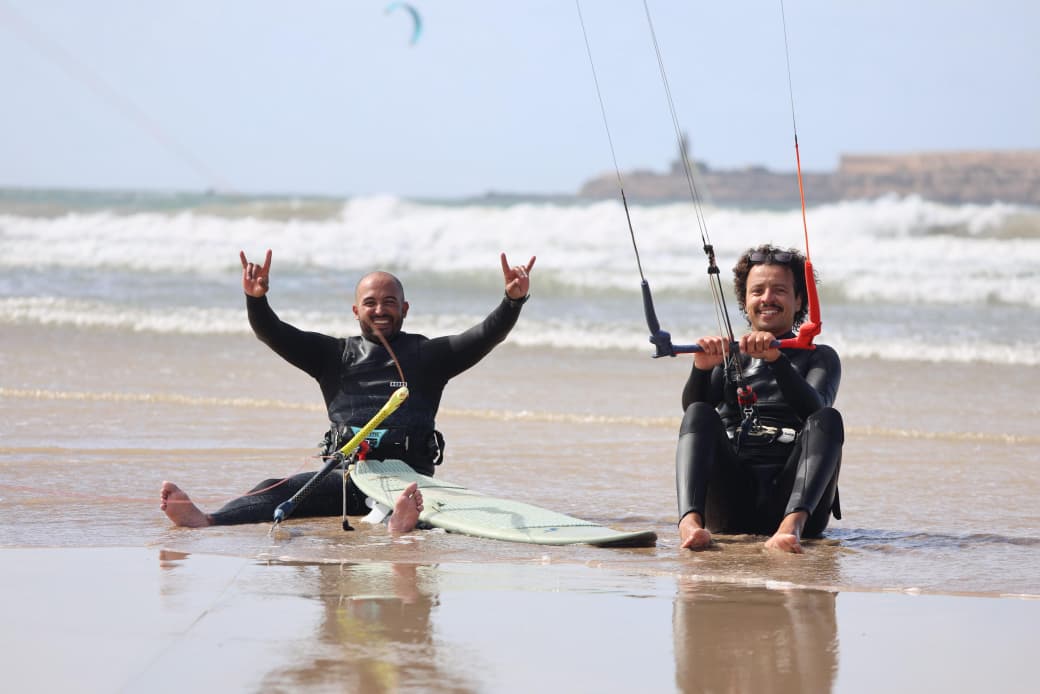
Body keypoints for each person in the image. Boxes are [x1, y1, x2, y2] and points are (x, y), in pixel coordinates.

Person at [161, 249, 536, 533]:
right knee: (273, 490)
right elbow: (272, 333)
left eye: (390, 302)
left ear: (405, 308)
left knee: (413, 501)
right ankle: (208, 519)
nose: (380, 309)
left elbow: (485, 336)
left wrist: (512, 301)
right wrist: (256, 300)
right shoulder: (333, 357)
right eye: (370, 303)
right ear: (355, 311)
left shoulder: (429, 356)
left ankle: (402, 520)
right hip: (345, 477)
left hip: (409, 477)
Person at [675, 243, 843, 553]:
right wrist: (701, 369)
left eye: (779, 290)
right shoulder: (727, 357)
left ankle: (788, 529)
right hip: (730, 505)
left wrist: (777, 360)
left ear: (799, 300)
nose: (767, 298)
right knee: (699, 412)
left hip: (795, 501)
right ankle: (690, 523)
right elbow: (694, 413)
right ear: (745, 300)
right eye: (757, 291)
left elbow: (813, 408)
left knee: (829, 418)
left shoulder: (821, 358)